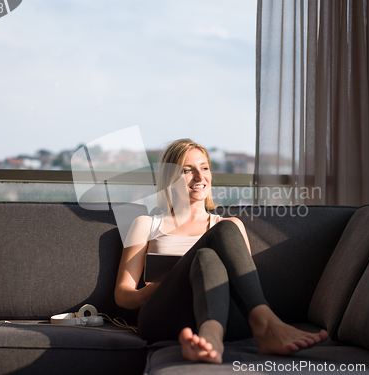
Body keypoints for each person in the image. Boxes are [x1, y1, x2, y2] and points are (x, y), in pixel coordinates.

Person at [114, 139, 328, 364]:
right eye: (188, 170)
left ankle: (212, 339)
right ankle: (266, 324)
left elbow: (241, 286)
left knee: (220, 236)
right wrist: (155, 289)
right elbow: (122, 294)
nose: (200, 177)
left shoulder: (229, 226)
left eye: (204, 168)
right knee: (205, 252)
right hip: (167, 318)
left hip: (226, 320)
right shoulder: (146, 224)